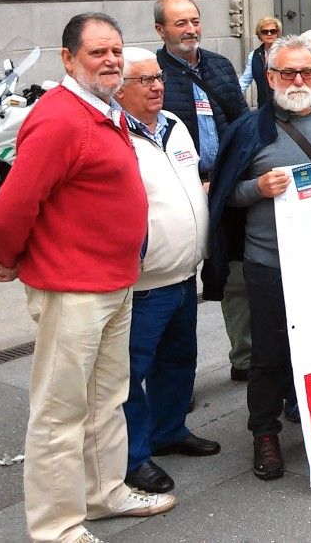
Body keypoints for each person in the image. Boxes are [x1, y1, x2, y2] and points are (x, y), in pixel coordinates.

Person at [0, 14, 175, 542]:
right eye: (97, 53)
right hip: (73, 289)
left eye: (115, 51)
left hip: (113, 283)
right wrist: (10, 256)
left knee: (105, 399)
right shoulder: (60, 117)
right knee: (60, 413)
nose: (111, 61)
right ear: (68, 60)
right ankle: (56, 526)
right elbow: (11, 210)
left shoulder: (103, 110)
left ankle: (103, 491)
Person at [205, 35, 311, 481]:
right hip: (270, 263)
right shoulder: (248, 131)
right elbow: (224, 196)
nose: (298, 80)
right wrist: (258, 189)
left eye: (306, 72)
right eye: (287, 72)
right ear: (269, 77)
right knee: (269, 353)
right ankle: (265, 435)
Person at [115, 48, 219, 496]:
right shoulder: (114, 134)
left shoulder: (175, 126)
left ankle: (169, 430)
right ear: (119, 89)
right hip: (143, 283)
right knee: (128, 374)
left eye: (158, 78)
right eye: (145, 80)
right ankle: (132, 457)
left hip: (182, 274)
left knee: (178, 360)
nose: (158, 86)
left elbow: (189, 180)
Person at [154, 0, 252, 383]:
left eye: (194, 21)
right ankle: (173, 384)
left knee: (234, 274)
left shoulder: (220, 66)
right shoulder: (152, 73)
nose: (191, 29)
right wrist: (196, 182)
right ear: (160, 30)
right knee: (175, 288)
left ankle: (243, 358)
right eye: (180, 23)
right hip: (179, 195)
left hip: (227, 190)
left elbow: (243, 122)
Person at [239, 16, 281, 101]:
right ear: (260, 35)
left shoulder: (286, 52)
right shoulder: (253, 55)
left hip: (285, 106)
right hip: (264, 106)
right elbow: (244, 81)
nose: (269, 34)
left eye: (273, 31)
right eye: (265, 32)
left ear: (277, 34)